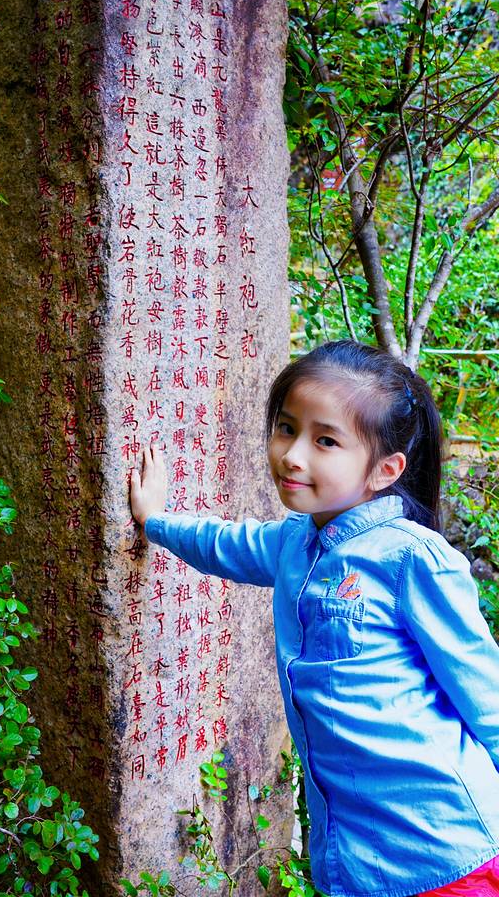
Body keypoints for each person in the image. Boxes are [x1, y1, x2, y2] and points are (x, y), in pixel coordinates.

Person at [129, 340, 499, 897]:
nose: (293, 455)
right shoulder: (296, 544)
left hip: (443, 854)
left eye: (325, 440)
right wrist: (155, 522)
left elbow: (484, 693)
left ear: (385, 469)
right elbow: (224, 544)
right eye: (286, 428)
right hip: (353, 859)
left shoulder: (412, 558)